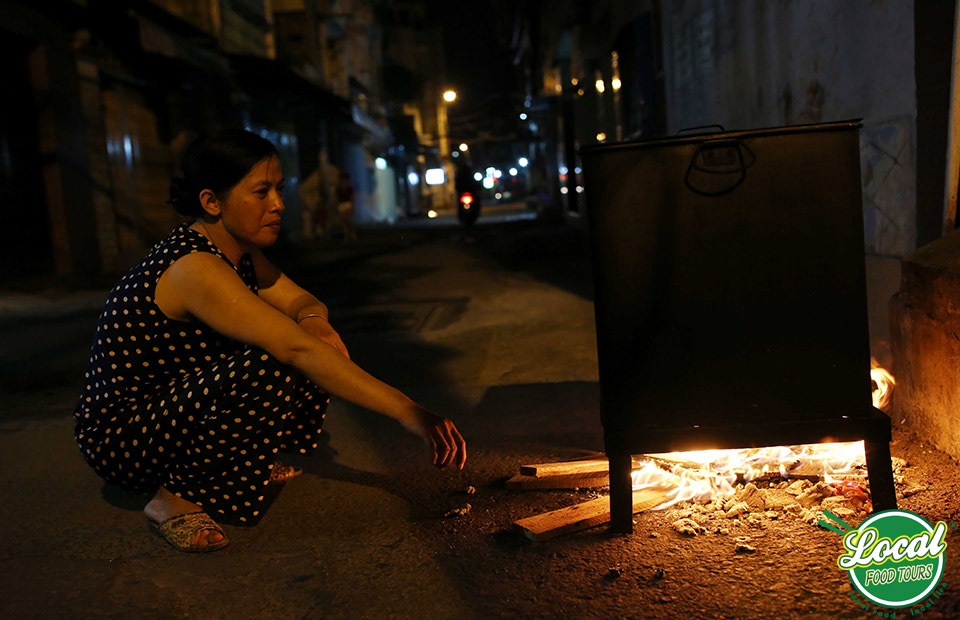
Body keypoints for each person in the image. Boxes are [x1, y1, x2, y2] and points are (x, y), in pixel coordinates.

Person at [73, 130, 466, 553]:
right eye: (261, 192)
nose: (278, 204)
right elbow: (293, 350)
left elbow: (300, 300)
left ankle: (238, 464)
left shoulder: (235, 250)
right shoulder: (194, 267)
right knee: (281, 360)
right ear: (211, 201)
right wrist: (408, 411)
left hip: (173, 411)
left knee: (313, 347)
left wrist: (314, 321)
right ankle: (173, 496)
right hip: (123, 439)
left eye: (279, 189)